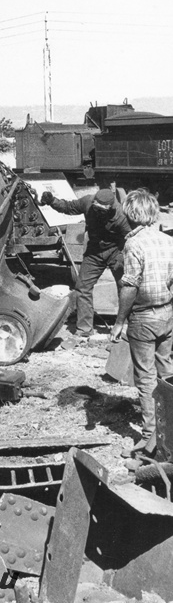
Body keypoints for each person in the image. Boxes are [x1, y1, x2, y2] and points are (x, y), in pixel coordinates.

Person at [110, 189, 173, 453]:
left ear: (131, 214)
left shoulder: (133, 244)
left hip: (144, 318)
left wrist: (119, 321)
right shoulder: (166, 240)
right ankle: (169, 429)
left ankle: (151, 438)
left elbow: (130, 287)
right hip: (167, 314)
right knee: (167, 373)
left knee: (146, 378)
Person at [40, 188, 131, 337]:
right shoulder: (88, 201)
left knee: (125, 287)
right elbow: (69, 207)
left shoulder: (121, 215)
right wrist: (52, 201)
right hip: (95, 252)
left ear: (111, 208)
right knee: (82, 287)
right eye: (96, 209)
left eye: (102, 211)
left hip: (116, 251)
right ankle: (84, 329)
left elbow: (131, 238)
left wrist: (125, 259)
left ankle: (126, 327)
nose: (98, 212)